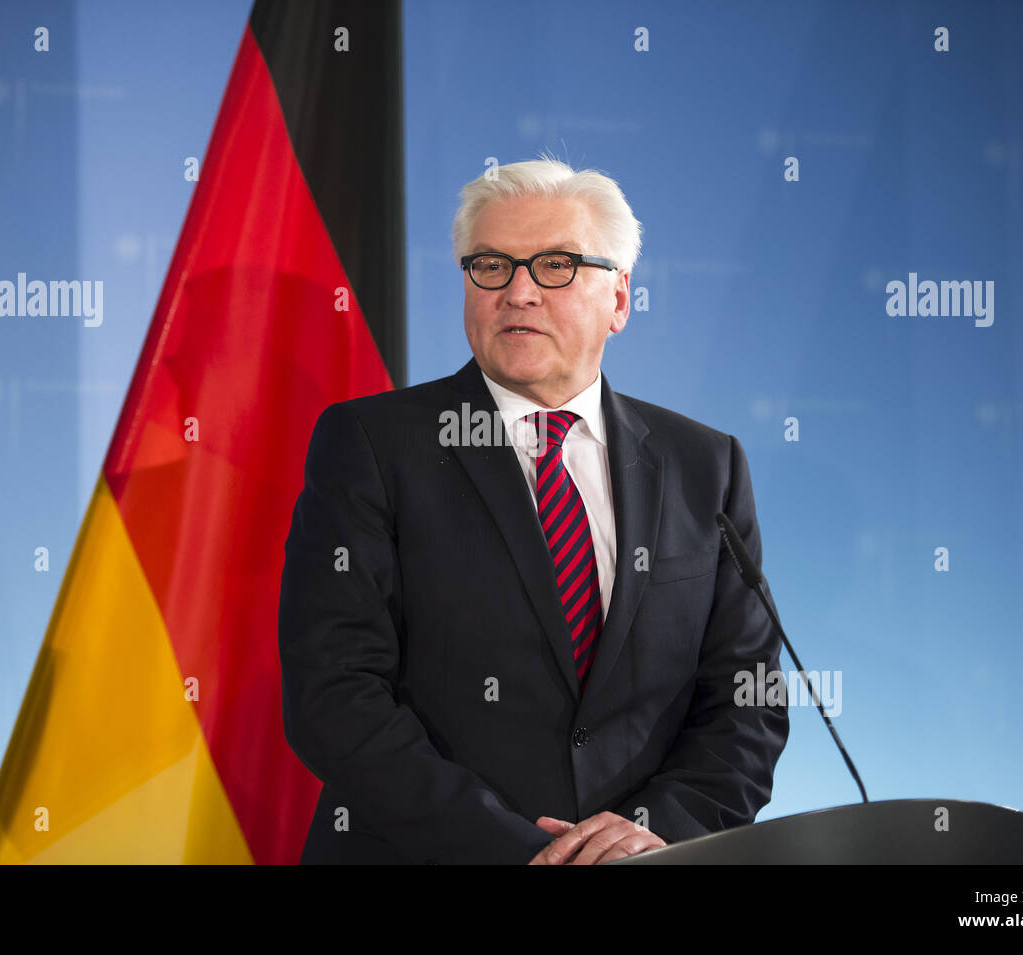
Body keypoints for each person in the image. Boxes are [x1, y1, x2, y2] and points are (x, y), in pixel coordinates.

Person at [278, 158, 789, 865]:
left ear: (620, 297)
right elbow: (333, 694)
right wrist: (524, 853)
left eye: (556, 265)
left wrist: (656, 836)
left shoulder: (706, 466)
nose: (518, 292)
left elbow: (746, 700)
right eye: (490, 265)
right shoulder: (370, 444)